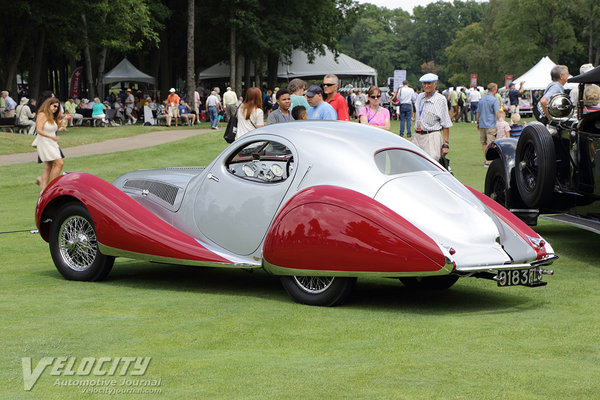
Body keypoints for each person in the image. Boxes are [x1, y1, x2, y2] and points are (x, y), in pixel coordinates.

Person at [412, 73, 452, 162]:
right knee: (413, 163)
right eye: (424, 83)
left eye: (429, 83)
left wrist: (446, 143)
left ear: (435, 84)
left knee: (431, 163)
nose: (426, 86)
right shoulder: (419, 97)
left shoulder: (440, 99)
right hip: (417, 135)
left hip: (432, 136)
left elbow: (445, 122)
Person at [33, 97, 66, 191]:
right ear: (48, 105)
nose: (55, 108)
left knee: (49, 166)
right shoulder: (42, 114)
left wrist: (60, 128)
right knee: (59, 163)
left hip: (52, 143)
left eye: (57, 107)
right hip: (45, 142)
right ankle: (52, 187)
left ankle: (44, 189)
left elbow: (51, 129)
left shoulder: (51, 116)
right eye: (54, 106)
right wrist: (51, 137)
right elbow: (38, 130)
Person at [477, 82, 500, 166]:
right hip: (491, 124)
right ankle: (490, 160)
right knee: (490, 143)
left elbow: (478, 112)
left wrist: (477, 122)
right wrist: (500, 121)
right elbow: (496, 112)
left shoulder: (482, 99)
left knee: (484, 142)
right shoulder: (494, 100)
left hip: (482, 123)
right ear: (494, 89)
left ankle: (486, 160)